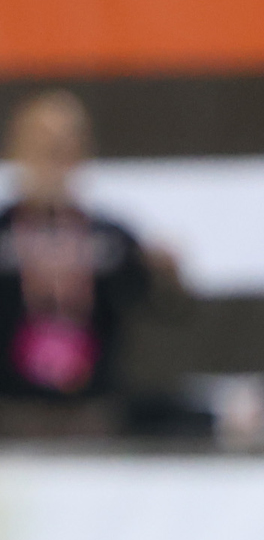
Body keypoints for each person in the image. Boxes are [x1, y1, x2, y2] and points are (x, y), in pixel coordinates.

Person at [0, 91, 159, 439]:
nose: (55, 156)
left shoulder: (110, 235)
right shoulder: (6, 229)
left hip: (91, 412)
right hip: (10, 414)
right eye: (44, 144)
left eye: (67, 144)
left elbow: (163, 308)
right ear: (18, 148)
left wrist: (164, 276)